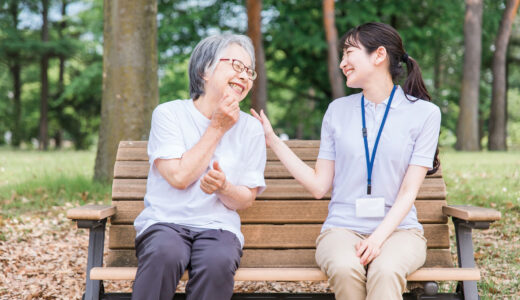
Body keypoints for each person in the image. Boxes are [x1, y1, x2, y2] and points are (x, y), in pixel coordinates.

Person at [251, 22, 441, 300]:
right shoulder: (337, 111)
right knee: (344, 267)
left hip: (400, 231)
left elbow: (408, 191)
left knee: (385, 271)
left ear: (378, 55)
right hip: (341, 229)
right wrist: (273, 140)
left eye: (349, 52)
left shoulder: (425, 113)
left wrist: (377, 239)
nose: (342, 63)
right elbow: (318, 186)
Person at [132, 34, 266, 300]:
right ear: (204, 70)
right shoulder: (169, 114)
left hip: (219, 227)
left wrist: (224, 187)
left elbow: (246, 198)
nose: (245, 76)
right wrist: (217, 127)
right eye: (236, 66)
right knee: (165, 253)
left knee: (218, 261)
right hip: (165, 222)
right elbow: (179, 177)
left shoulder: (251, 128)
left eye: (249, 71)